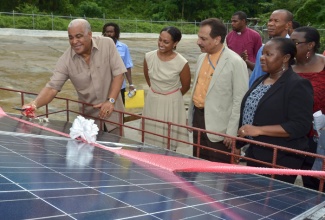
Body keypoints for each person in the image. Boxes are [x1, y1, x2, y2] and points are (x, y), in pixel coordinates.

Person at [21, 19, 126, 134]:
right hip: (89, 122)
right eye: (71, 37)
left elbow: (119, 74)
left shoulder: (107, 44)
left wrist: (110, 101)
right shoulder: (66, 60)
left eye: (79, 36)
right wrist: (34, 104)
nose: (74, 41)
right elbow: (52, 88)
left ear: (89, 35)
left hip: (114, 116)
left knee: (117, 149)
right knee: (92, 151)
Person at [237, 38, 313, 184]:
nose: (262, 58)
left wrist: (259, 130)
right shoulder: (261, 80)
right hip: (255, 152)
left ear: (286, 58)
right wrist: (240, 143)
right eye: (262, 53)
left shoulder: (297, 85)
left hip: (280, 157)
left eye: (268, 54)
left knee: (269, 202)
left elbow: (300, 126)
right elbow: (249, 113)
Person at [188, 18, 248, 163]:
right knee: (198, 162)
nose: (198, 42)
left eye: (203, 38)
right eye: (198, 37)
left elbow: (239, 100)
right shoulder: (202, 58)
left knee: (218, 172)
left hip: (220, 127)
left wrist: (231, 132)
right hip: (198, 119)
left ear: (217, 40)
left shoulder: (235, 62)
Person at [142, 26, 191, 152]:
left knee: (169, 139)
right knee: (150, 135)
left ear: (175, 43)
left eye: (166, 42)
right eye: (160, 40)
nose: (161, 44)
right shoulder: (148, 57)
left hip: (172, 103)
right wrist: (157, 92)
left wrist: (169, 96)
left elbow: (186, 85)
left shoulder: (182, 62)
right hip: (153, 99)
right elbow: (148, 79)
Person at [291, 26, 325, 190]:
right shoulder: (286, 67)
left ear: (310, 45)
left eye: (295, 42)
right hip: (293, 135)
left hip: (320, 137)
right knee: (292, 184)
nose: (290, 46)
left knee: (318, 183)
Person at [249, 9, 293, 87]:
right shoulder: (263, 48)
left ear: (288, 25)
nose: (270, 24)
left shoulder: (293, 49)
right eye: (270, 20)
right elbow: (256, 74)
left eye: (276, 21)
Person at [102, 22, 135, 104]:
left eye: (111, 32)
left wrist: (131, 84)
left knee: (120, 109)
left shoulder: (123, 47)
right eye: (107, 32)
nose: (108, 34)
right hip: (103, 85)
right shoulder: (99, 47)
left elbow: (127, 66)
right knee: (103, 108)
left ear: (116, 33)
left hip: (120, 85)